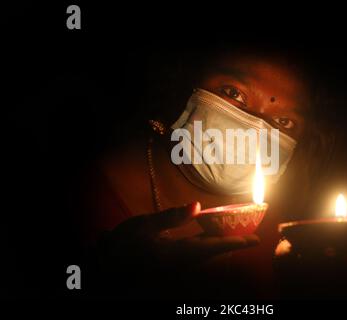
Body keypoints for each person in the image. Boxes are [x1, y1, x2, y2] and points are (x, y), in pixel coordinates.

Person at [81, 50, 312, 298]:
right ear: (183, 86)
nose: (255, 125)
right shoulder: (86, 194)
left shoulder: (286, 236)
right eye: (233, 93)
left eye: (284, 121)